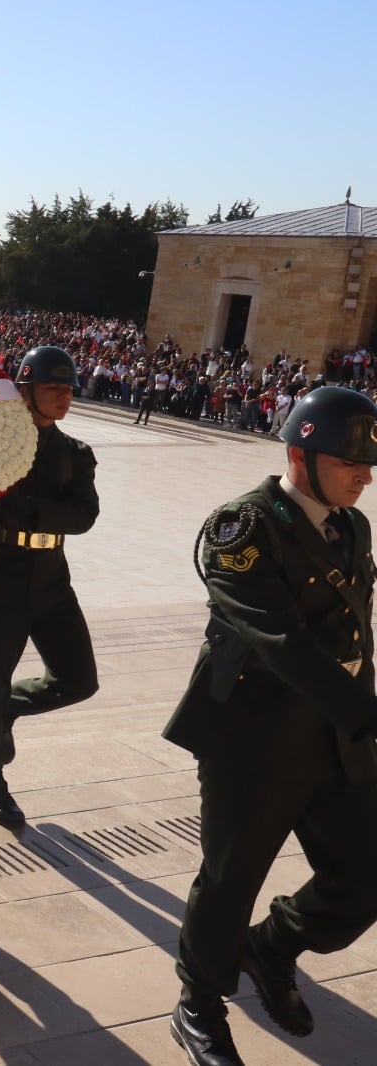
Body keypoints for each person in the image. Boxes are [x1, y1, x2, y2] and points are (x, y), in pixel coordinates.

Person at [165, 386, 377, 1066]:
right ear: (299, 454)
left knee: (365, 875)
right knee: (231, 878)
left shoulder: (351, 526)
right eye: (351, 463)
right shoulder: (243, 526)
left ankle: (272, 945)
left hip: (336, 736)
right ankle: (198, 1002)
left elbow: (353, 636)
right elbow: (281, 641)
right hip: (253, 739)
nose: (365, 477)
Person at [0, 346, 100, 830]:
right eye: (54, 388)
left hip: (50, 576)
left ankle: (7, 709)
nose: (65, 396)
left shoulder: (74, 453)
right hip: (2, 573)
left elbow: (84, 515)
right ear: (25, 391)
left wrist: (32, 511)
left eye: (68, 389)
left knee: (79, 679)